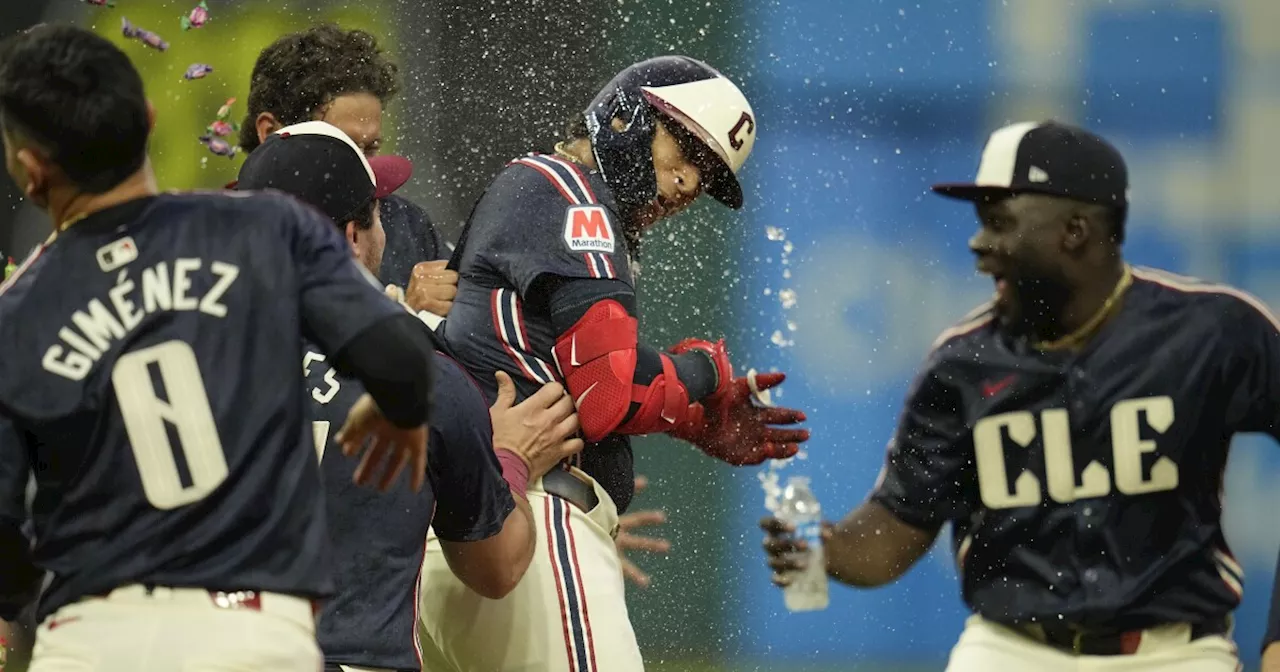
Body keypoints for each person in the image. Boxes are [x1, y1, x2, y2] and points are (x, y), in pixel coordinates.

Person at [0, 25, 434, 671]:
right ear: (149, 121)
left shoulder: (16, 314)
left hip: (87, 638)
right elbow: (400, 355)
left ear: (30, 170)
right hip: (253, 635)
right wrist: (399, 409)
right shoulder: (267, 227)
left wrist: (35, 600)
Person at [760, 120, 1268, 671]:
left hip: (1173, 653)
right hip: (1010, 649)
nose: (978, 244)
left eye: (999, 223)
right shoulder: (963, 364)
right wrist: (826, 548)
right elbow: (898, 526)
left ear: (1074, 230)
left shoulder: (1210, 333)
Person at [242, 23, 674, 585]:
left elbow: (486, 391)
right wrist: (403, 317)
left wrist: (556, 504)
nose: (369, 173)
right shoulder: (203, 267)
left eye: (373, 147)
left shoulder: (401, 227)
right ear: (273, 132)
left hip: (417, 557)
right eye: (349, 145)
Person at [422, 55, 811, 671]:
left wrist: (691, 417)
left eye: (705, 174)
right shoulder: (573, 196)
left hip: (485, 520)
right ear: (627, 116)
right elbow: (609, 397)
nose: (688, 183)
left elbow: (563, 370)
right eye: (684, 148)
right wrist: (705, 372)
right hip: (533, 522)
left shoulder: (547, 191)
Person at [235, 119, 587, 672]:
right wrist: (511, 459)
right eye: (378, 214)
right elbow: (496, 568)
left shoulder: (178, 356)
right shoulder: (425, 383)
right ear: (353, 233)